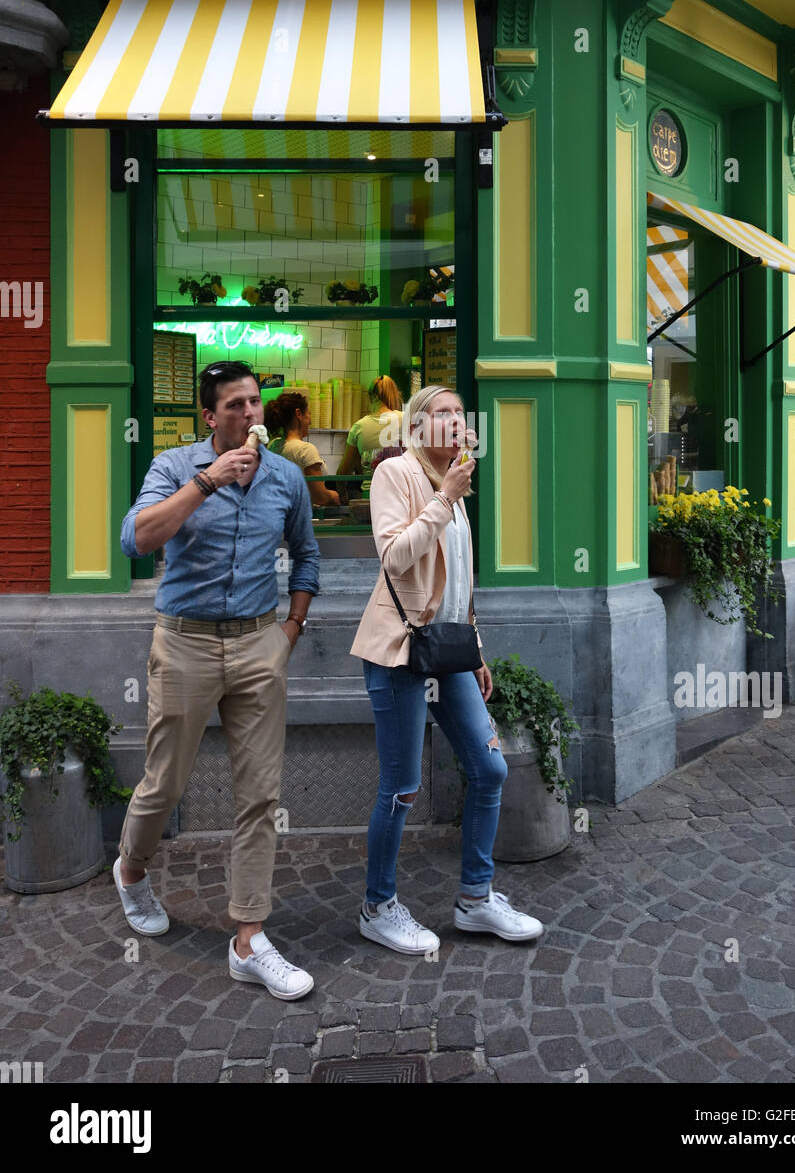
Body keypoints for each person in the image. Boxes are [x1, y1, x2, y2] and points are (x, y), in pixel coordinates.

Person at [115, 360, 320, 1001]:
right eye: (235, 406)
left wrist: (289, 629)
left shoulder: (287, 475)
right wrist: (208, 481)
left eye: (255, 403)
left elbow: (308, 555)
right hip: (185, 644)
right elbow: (135, 539)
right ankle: (130, 868)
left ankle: (249, 938)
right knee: (165, 782)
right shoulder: (174, 467)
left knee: (259, 793)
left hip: (260, 642)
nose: (250, 415)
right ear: (210, 417)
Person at [349, 384, 543, 955]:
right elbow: (394, 555)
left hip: (447, 651)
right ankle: (377, 906)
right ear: (416, 426)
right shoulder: (398, 474)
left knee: (490, 770)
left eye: (461, 413)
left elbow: (456, 579)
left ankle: (476, 900)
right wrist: (443, 498)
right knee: (402, 787)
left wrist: (474, 647)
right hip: (399, 652)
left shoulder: (453, 483)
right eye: (442, 413)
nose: (456, 421)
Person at [264, 391, 341, 508]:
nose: (310, 421)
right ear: (298, 414)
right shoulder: (305, 450)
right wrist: (332, 495)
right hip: (300, 517)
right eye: (309, 414)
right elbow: (319, 497)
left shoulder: (273, 445)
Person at [337, 376, 404, 497]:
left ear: (371, 397)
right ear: (395, 395)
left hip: (371, 495)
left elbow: (343, 472)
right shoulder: (407, 420)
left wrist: (342, 494)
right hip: (401, 492)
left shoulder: (359, 427)